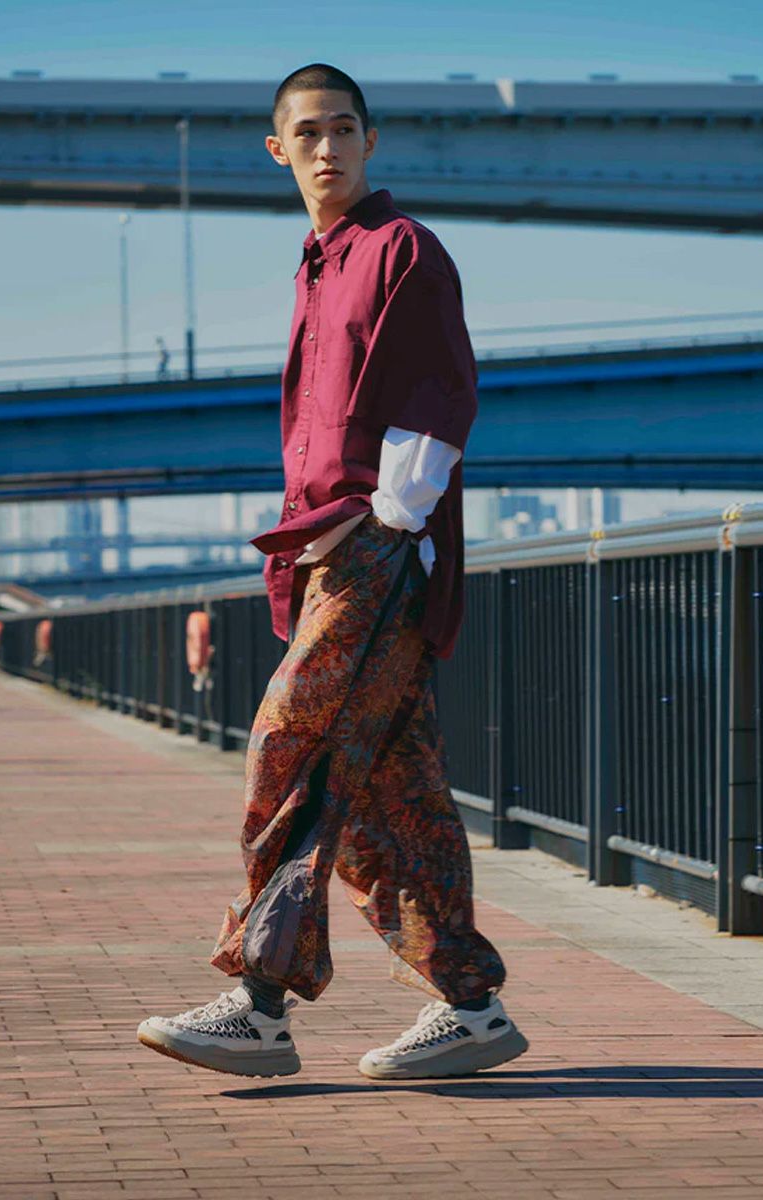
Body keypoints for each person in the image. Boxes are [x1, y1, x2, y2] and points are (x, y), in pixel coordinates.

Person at [137, 65, 524, 1081]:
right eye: (307, 134)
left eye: (343, 130)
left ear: (370, 140)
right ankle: (471, 1006)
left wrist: (387, 525)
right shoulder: (319, 263)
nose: (326, 149)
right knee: (398, 799)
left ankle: (259, 1002)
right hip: (330, 552)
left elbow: (440, 392)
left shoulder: (401, 249)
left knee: (290, 752)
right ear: (279, 150)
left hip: (374, 551)